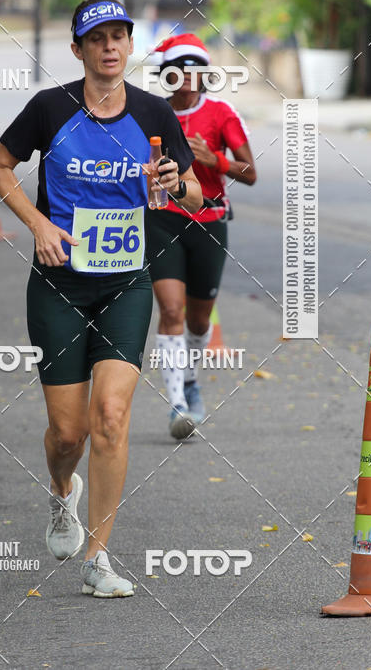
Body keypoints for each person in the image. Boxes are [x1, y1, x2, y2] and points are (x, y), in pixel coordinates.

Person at [0, 0, 203, 597]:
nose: (110, 47)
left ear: (130, 47)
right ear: (78, 50)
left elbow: (190, 191)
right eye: (97, 38)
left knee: (110, 418)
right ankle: (62, 492)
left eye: (119, 36)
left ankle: (100, 558)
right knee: (68, 434)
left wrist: (174, 182)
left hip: (125, 282)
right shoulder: (49, 109)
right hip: (58, 284)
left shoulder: (155, 111)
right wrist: (38, 225)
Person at [145, 33, 256, 439]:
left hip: (209, 222)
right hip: (163, 220)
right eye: (179, 69)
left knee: (197, 318)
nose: (187, 76)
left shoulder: (222, 114)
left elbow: (251, 174)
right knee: (171, 311)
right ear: (167, 74)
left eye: (195, 68)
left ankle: (189, 379)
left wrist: (216, 160)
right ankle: (176, 404)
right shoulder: (151, 114)